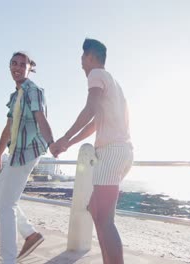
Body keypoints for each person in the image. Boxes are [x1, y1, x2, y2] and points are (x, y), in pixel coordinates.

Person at [50, 38, 133, 264]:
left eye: (82, 58)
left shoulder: (96, 75)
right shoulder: (113, 83)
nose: (81, 64)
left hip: (111, 152)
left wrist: (64, 138)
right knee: (96, 210)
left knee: (105, 219)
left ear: (90, 56)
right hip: (121, 153)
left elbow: (89, 109)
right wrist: (69, 142)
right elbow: (96, 122)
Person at [0, 52, 55, 264]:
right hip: (15, 152)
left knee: (7, 204)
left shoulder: (33, 90)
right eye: (14, 63)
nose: (17, 67)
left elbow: (41, 118)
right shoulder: (15, 95)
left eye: (22, 64)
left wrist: (52, 143)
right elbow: (8, 128)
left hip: (29, 151)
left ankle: (8, 260)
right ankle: (30, 234)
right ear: (10, 66)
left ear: (29, 68)